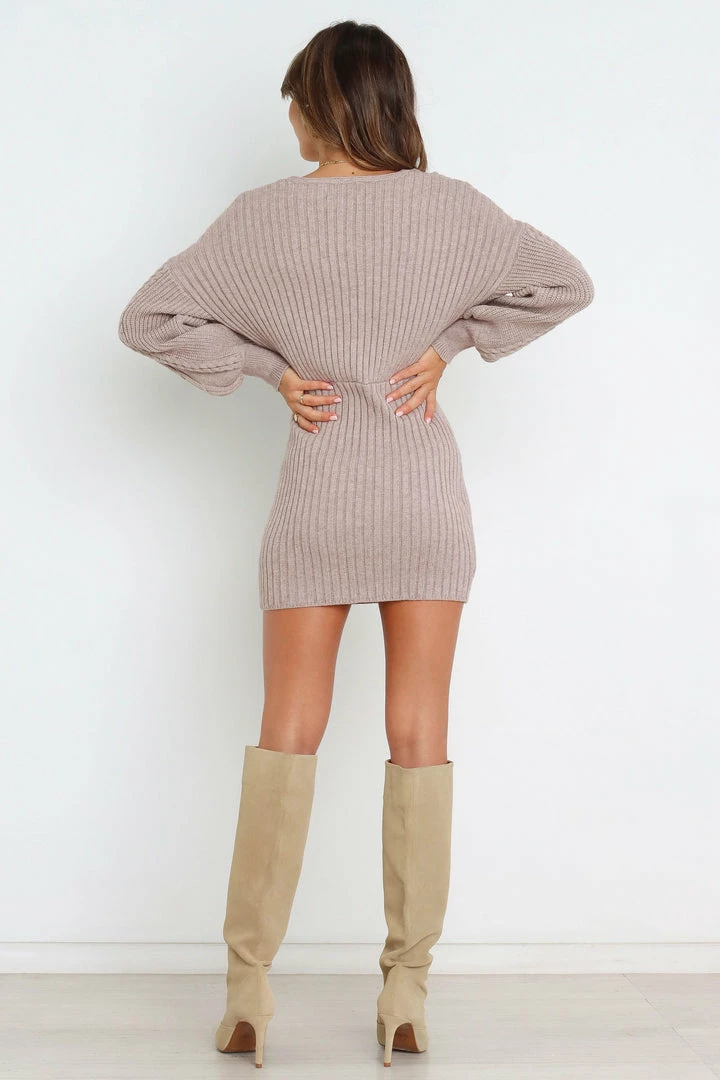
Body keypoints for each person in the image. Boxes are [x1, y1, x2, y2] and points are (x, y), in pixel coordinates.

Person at [117, 19, 594, 1069]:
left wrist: (272, 370)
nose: (288, 116)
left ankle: (248, 994)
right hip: (424, 497)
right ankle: (406, 996)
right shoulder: (454, 209)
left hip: (319, 499)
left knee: (286, 730)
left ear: (323, 105)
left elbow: (148, 318)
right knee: (420, 734)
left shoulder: (261, 219)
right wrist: (449, 343)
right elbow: (565, 282)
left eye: (295, 98)